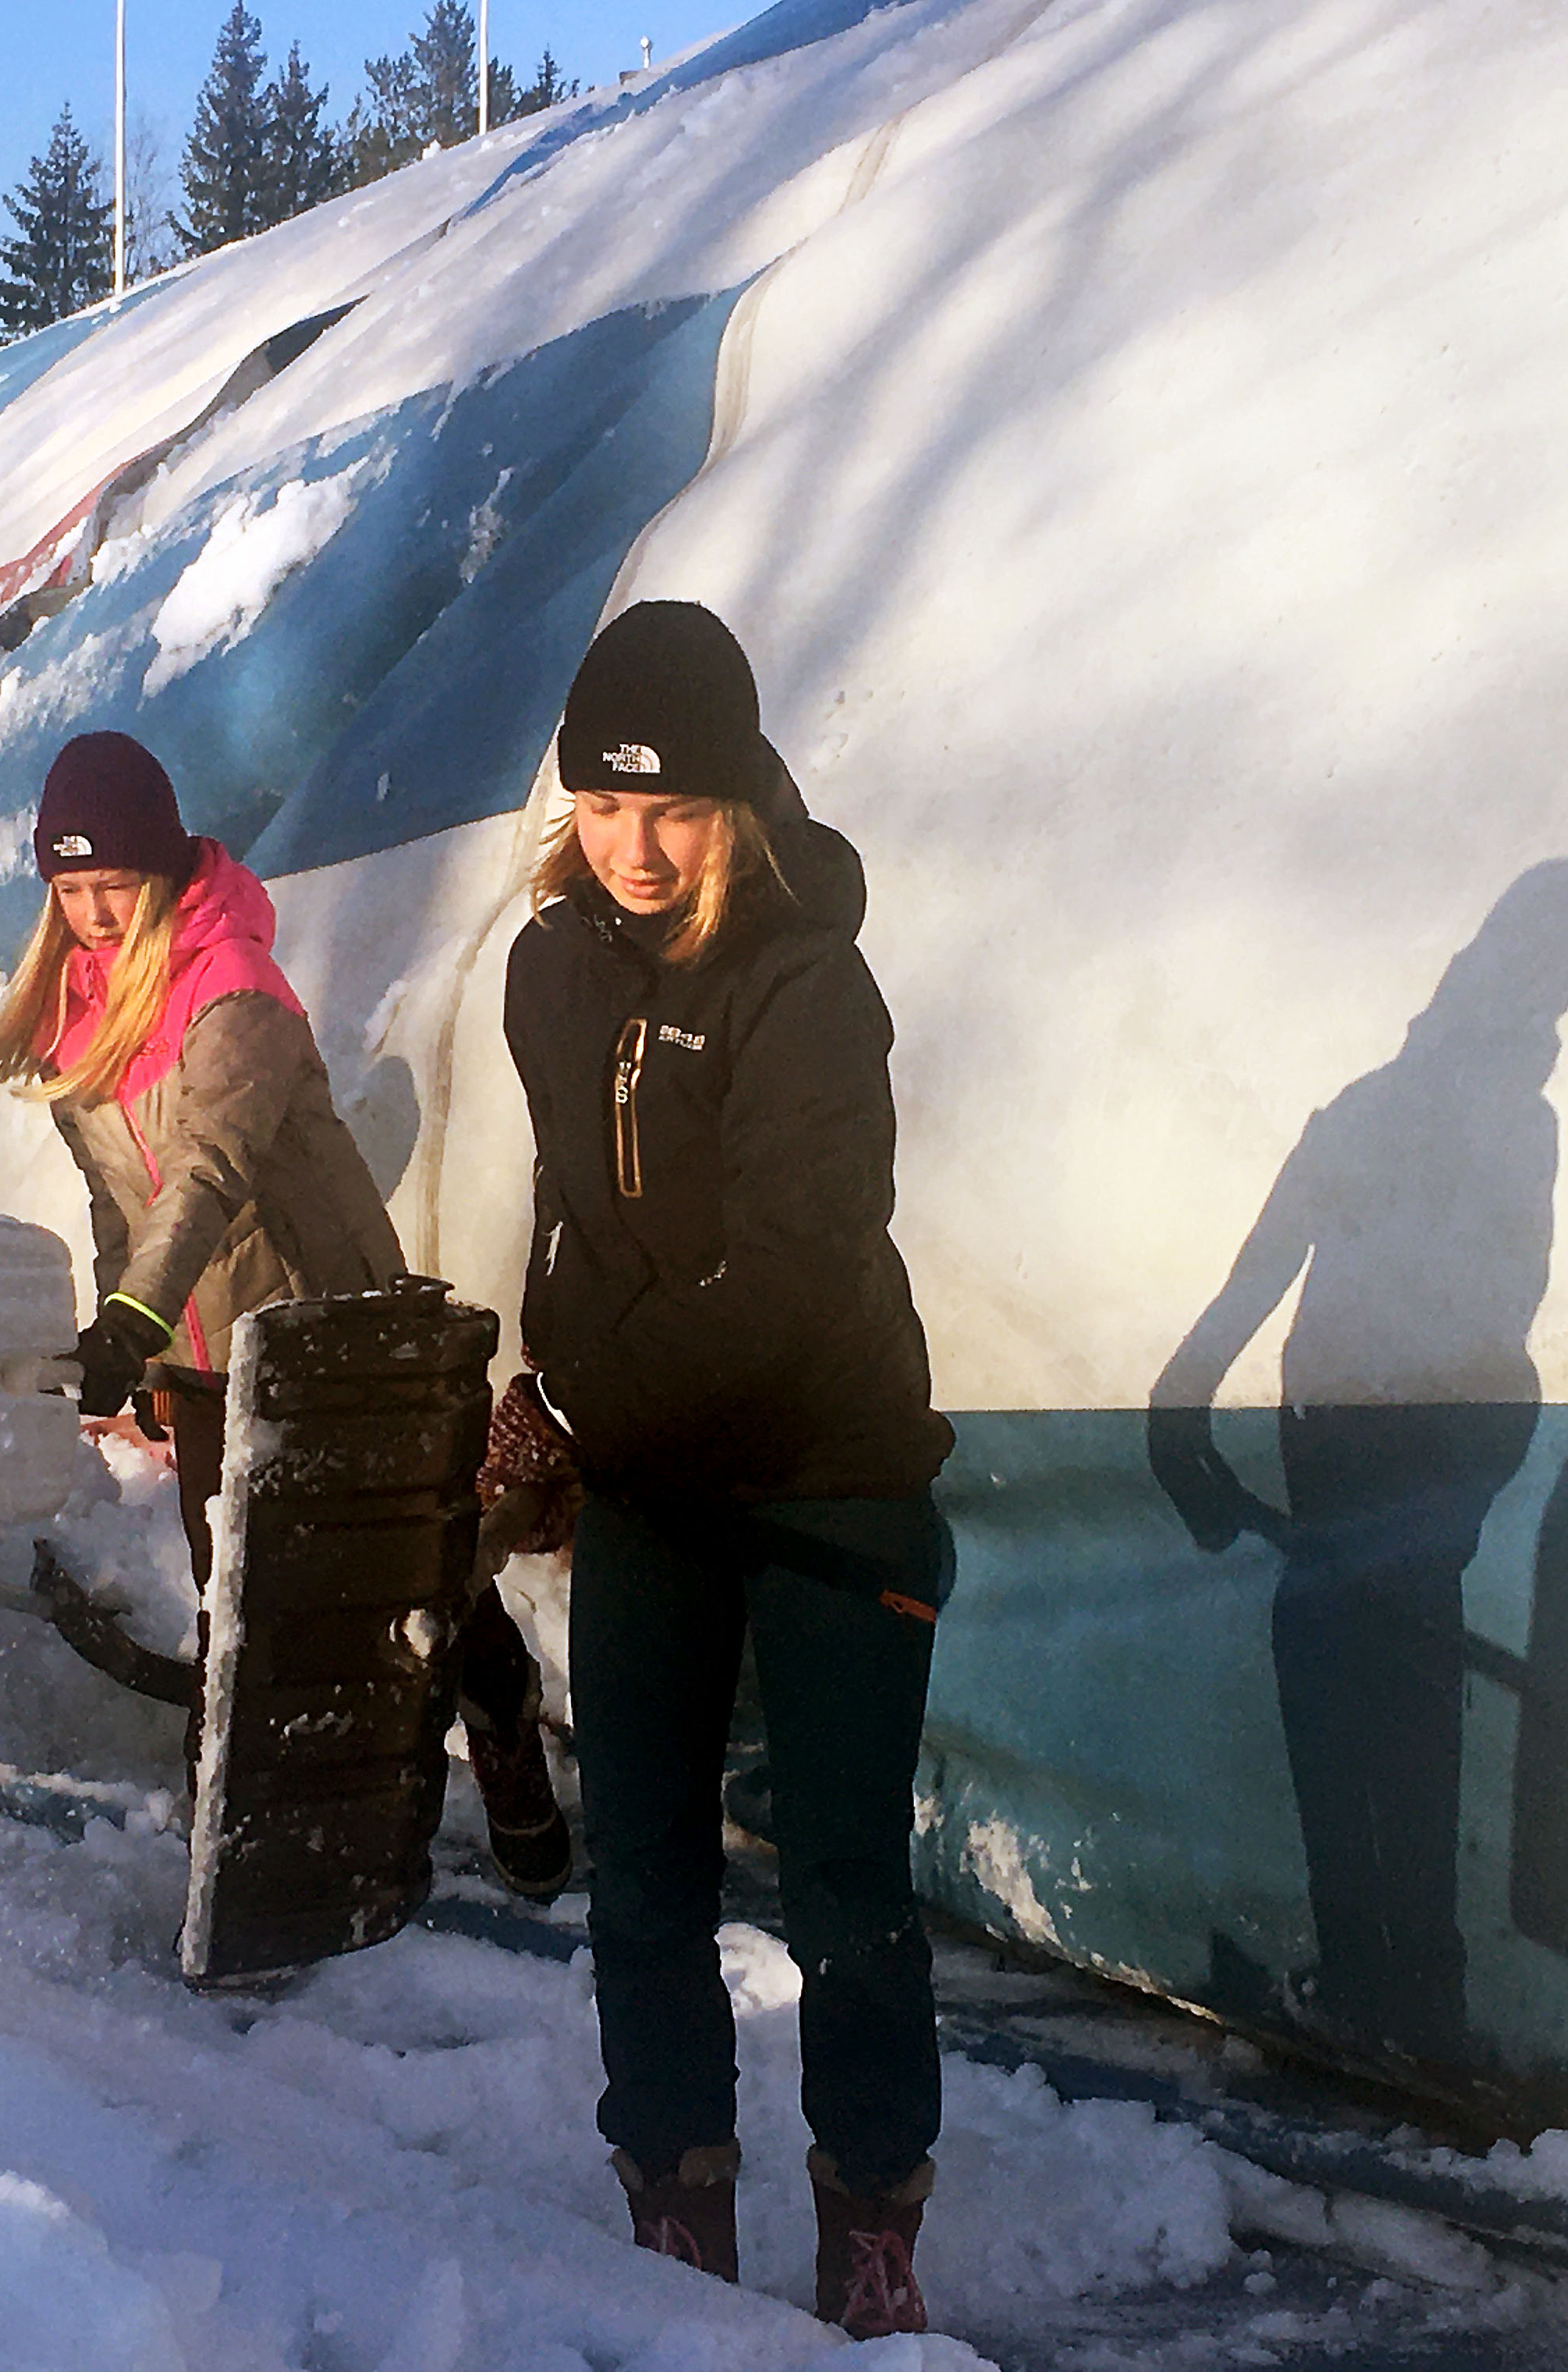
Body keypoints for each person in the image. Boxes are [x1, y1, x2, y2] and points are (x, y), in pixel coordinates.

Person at [502, 602, 956, 2337]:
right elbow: (577, 1222)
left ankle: (874, 2228)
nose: (634, 846)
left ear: (743, 801)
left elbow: (791, 1275)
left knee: (843, 1877)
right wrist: (550, 1387)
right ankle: (678, 2201)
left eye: (673, 811)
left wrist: (586, 1415)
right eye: (605, 808)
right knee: (648, 1870)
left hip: (829, 1473)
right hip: (654, 1484)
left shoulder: (808, 985)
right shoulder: (552, 967)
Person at [0, 729, 569, 1896]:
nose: (90, 912)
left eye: (112, 886)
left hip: (332, 1338)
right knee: (244, 1607)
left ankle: (497, 1711)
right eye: (69, 889)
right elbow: (115, 1198)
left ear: (166, 872)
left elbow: (205, 1173)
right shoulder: (79, 1012)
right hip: (207, 1358)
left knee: (406, 1577)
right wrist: (129, 1344)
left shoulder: (236, 993)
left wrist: (132, 1315)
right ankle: (270, 1851)